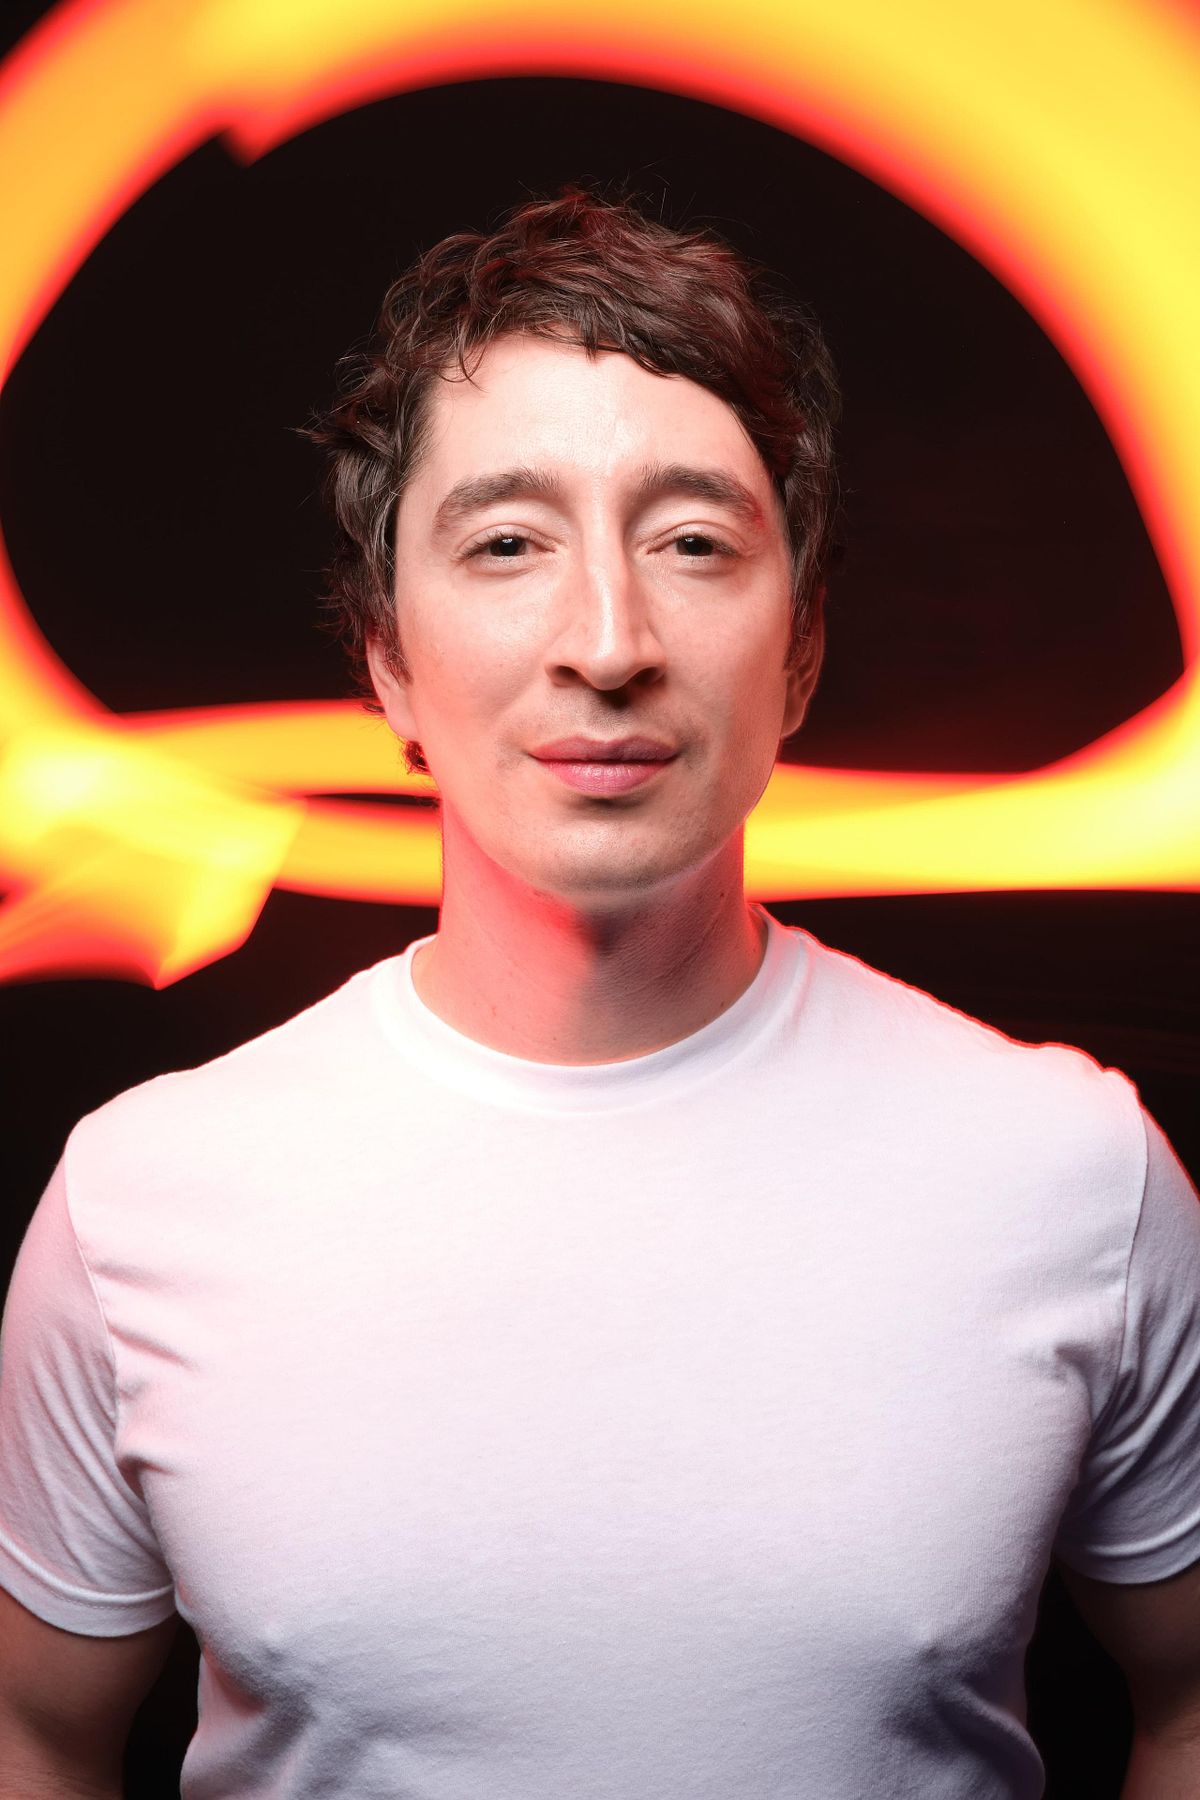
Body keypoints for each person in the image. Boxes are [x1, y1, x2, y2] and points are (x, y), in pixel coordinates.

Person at [0, 186, 1198, 1800]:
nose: (610, 641)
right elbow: (36, 1737)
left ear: (802, 649)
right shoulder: (141, 1198)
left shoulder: (1073, 1172)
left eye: (693, 542)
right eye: (508, 543)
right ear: (386, 659)